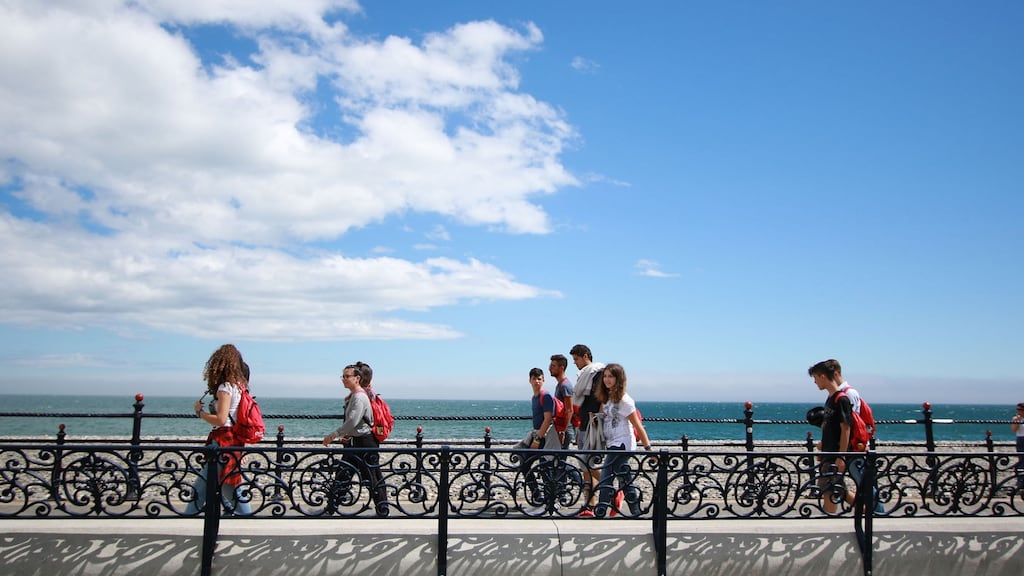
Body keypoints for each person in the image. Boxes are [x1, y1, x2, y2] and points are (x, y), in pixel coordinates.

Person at [185, 344, 252, 515]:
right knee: (225, 486)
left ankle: (249, 519)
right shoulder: (239, 387)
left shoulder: (225, 388)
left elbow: (221, 420)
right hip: (233, 440)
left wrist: (200, 413)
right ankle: (247, 519)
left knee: (222, 488)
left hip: (222, 441)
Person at [322, 364, 389, 516]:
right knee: (344, 474)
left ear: (357, 378)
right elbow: (353, 422)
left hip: (364, 442)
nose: (344, 379)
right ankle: (331, 508)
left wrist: (333, 435)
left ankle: (383, 510)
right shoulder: (356, 395)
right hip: (356, 441)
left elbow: (352, 420)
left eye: (347, 376)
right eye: (343, 376)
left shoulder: (359, 397)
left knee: (371, 477)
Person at [589, 363, 653, 518]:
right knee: (624, 476)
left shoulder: (625, 400)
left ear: (619, 379)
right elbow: (602, 415)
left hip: (622, 443)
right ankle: (635, 509)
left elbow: (637, 425)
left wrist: (648, 449)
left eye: (610, 376)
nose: (607, 379)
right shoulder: (607, 398)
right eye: (605, 376)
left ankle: (601, 508)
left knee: (606, 474)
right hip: (612, 442)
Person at [517, 367, 561, 512]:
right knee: (527, 465)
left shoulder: (545, 396)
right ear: (529, 380)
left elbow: (548, 419)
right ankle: (539, 497)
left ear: (543, 380)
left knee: (545, 467)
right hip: (538, 435)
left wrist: (537, 440)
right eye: (534, 379)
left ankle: (550, 500)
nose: (537, 381)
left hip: (544, 437)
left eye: (539, 379)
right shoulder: (535, 397)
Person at [569, 344, 605, 515]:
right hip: (584, 424)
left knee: (587, 464)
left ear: (585, 356)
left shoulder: (597, 373)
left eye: (576, 359)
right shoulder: (585, 375)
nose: (574, 363)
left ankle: (612, 490)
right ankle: (589, 504)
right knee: (585, 467)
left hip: (592, 424)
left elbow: (603, 398)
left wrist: (599, 418)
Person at [549, 354, 575, 449]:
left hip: (564, 429)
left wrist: (562, 431)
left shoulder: (565, 386)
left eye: (553, 366)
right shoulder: (560, 385)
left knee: (561, 455)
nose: (550, 368)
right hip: (560, 428)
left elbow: (569, 410)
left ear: (561, 368)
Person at [1013, 402, 1024, 495]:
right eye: (1018, 409)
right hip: (1021, 439)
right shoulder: (1016, 418)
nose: (1018, 411)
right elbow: (1014, 429)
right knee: (1021, 461)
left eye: (1020, 409)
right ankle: (1020, 484)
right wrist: (1018, 421)